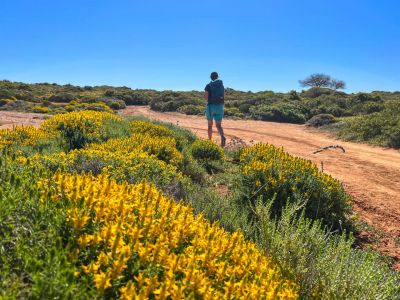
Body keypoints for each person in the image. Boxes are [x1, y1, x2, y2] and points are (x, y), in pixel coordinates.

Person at [204, 72, 226, 147]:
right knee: (219, 125)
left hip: (211, 106)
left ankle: (210, 141)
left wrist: (208, 101)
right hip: (220, 106)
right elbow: (223, 96)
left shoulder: (208, 85)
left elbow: (206, 97)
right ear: (217, 76)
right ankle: (222, 137)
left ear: (211, 77)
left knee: (210, 125)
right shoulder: (221, 85)